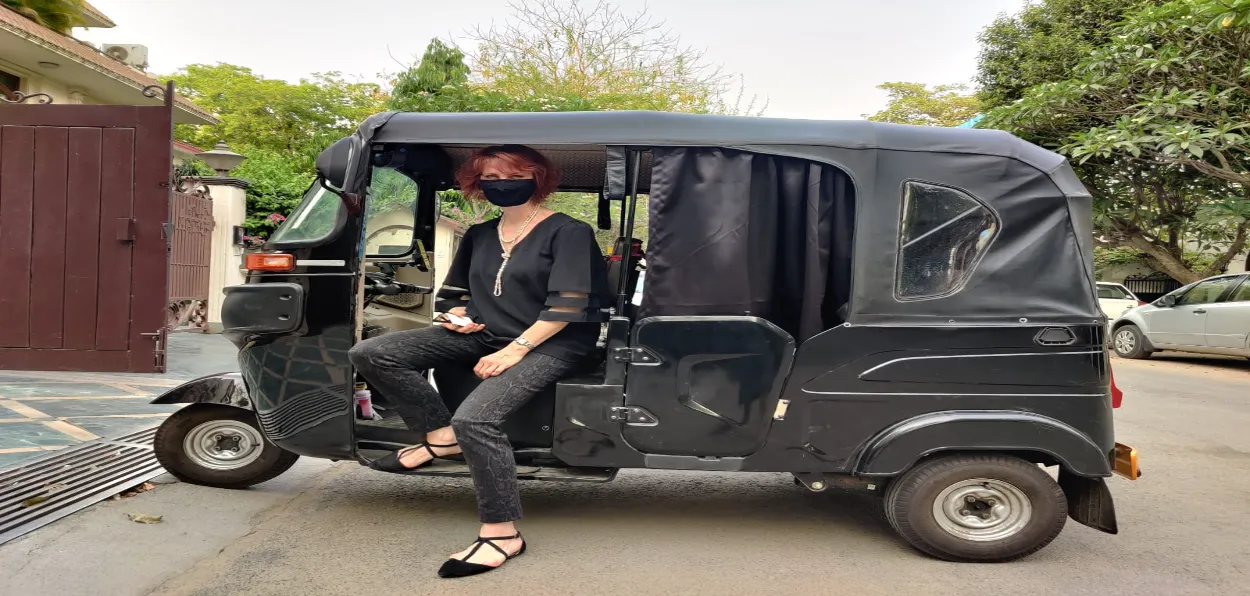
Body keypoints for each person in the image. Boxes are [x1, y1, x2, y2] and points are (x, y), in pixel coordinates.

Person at [348, 144, 611, 578]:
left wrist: (514, 350)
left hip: (554, 343)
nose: (500, 183)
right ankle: (439, 436)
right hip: (487, 335)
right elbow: (456, 296)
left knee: (476, 420)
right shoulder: (480, 234)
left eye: (512, 173)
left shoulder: (569, 232)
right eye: (488, 176)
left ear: (538, 178)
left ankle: (503, 533)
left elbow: (567, 308)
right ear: (476, 184)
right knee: (374, 352)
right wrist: (458, 317)